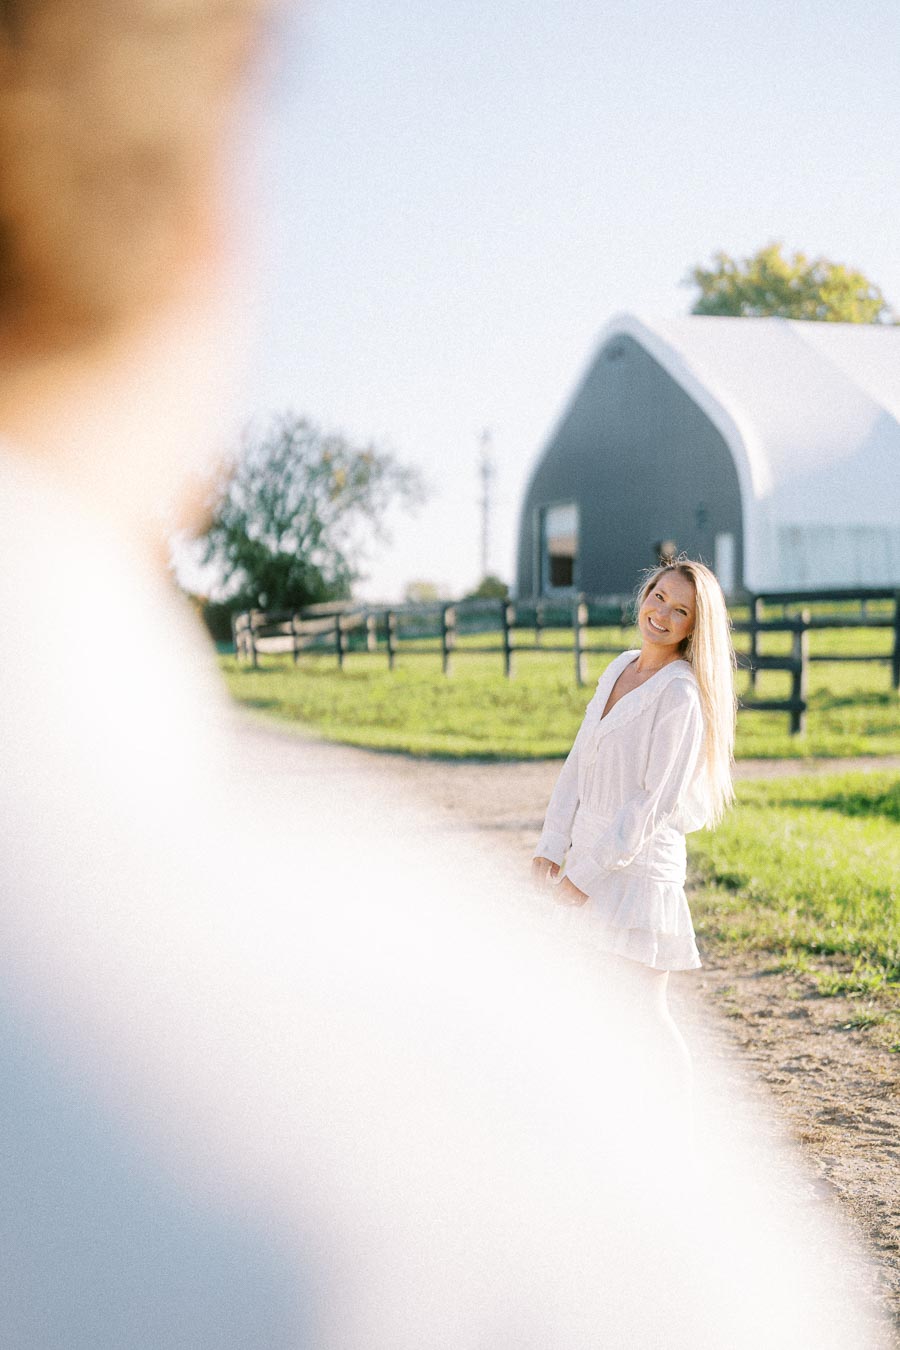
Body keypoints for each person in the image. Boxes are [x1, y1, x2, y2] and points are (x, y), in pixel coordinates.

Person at [531, 558, 737, 1104]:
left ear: (695, 627)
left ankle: (677, 1130)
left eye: (681, 611)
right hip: (588, 857)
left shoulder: (681, 695)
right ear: (643, 592)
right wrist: (553, 845)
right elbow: (580, 759)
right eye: (659, 596)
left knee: (643, 1010)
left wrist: (586, 875)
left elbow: (652, 804)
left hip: (638, 870)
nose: (663, 614)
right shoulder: (620, 667)